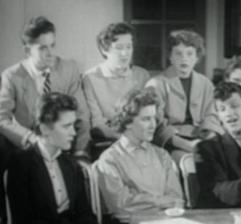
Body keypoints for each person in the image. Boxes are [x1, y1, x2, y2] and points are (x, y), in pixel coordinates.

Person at [0, 16, 90, 156]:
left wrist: (80, 151)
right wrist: (31, 139)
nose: (50, 53)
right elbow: (2, 119)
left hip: (63, 149)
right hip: (29, 148)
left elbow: (82, 115)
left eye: (52, 45)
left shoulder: (68, 69)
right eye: (42, 48)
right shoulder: (12, 76)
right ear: (27, 50)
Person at [94, 88, 183, 223]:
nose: (153, 125)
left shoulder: (162, 155)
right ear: (127, 121)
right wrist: (160, 201)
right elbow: (121, 206)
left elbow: (176, 199)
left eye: (154, 118)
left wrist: (142, 200)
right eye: (146, 119)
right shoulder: (109, 160)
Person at [6, 92, 97, 224]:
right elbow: (22, 218)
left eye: (73, 125)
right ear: (44, 129)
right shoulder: (21, 163)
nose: (73, 132)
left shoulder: (71, 164)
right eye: (66, 126)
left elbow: (85, 213)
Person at [146, 30, 214, 162]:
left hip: (201, 138)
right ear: (170, 57)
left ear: (197, 58)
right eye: (178, 53)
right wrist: (187, 145)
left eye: (189, 53)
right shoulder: (156, 84)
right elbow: (155, 125)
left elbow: (212, 116)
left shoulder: (206, 84)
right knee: (189, 161)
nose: (184, 58)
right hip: (172, 142)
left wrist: (208, 137)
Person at [83, 22, 150, 140]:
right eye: (119, 48)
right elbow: (97, 123)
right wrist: (126, 139)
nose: (125, 53)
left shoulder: (142, 76)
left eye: (128, 47)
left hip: (141, 139)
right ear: (105, 50)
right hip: (107, 141)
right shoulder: (90, 78)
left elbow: (148, 117)